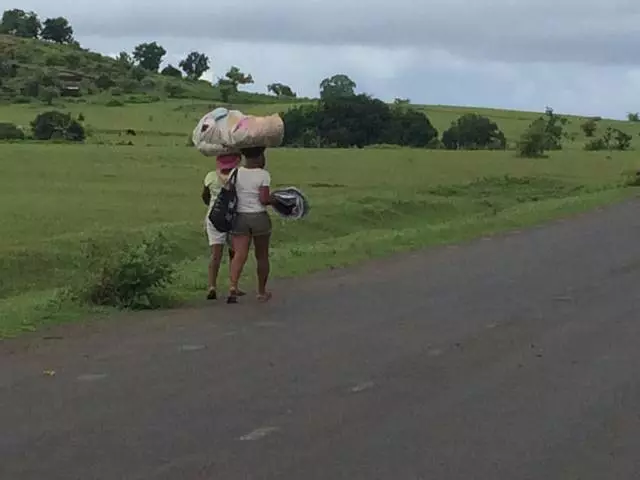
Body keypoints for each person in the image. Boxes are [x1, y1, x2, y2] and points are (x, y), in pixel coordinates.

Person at [227, 146, 273, 304]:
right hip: (258, 217)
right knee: (262, 256)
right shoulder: (263, 175)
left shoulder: (236, 172)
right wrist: (277, 200)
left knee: (239, 254)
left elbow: (230, 192)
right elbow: (264, 199)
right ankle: (261, 291)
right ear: (259, 157)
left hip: (240, 217)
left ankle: (233, 286)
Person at [201, 154, 245, 300]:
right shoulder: (238, 177)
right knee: (235, 253)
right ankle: (233, 285)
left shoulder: (210, 176)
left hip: (214, 217)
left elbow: (205, 197)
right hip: (233, 217)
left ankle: (212, 286)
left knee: (215, 255)